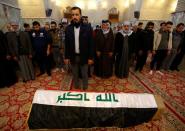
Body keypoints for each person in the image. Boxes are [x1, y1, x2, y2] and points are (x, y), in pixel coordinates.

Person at [64, 7, 94, 90]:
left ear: (80, 15)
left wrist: (91, 57)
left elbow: (91, 44)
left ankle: (85, 87)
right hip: (73, 56)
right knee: (75, 74)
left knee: (84, 74)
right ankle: (76, 87)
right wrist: (66, 57)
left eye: (76, 14)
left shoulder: (88, 28)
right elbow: (67, 44)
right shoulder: (68, 28)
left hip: (84, 56)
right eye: (73, 15)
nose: (74, 17)